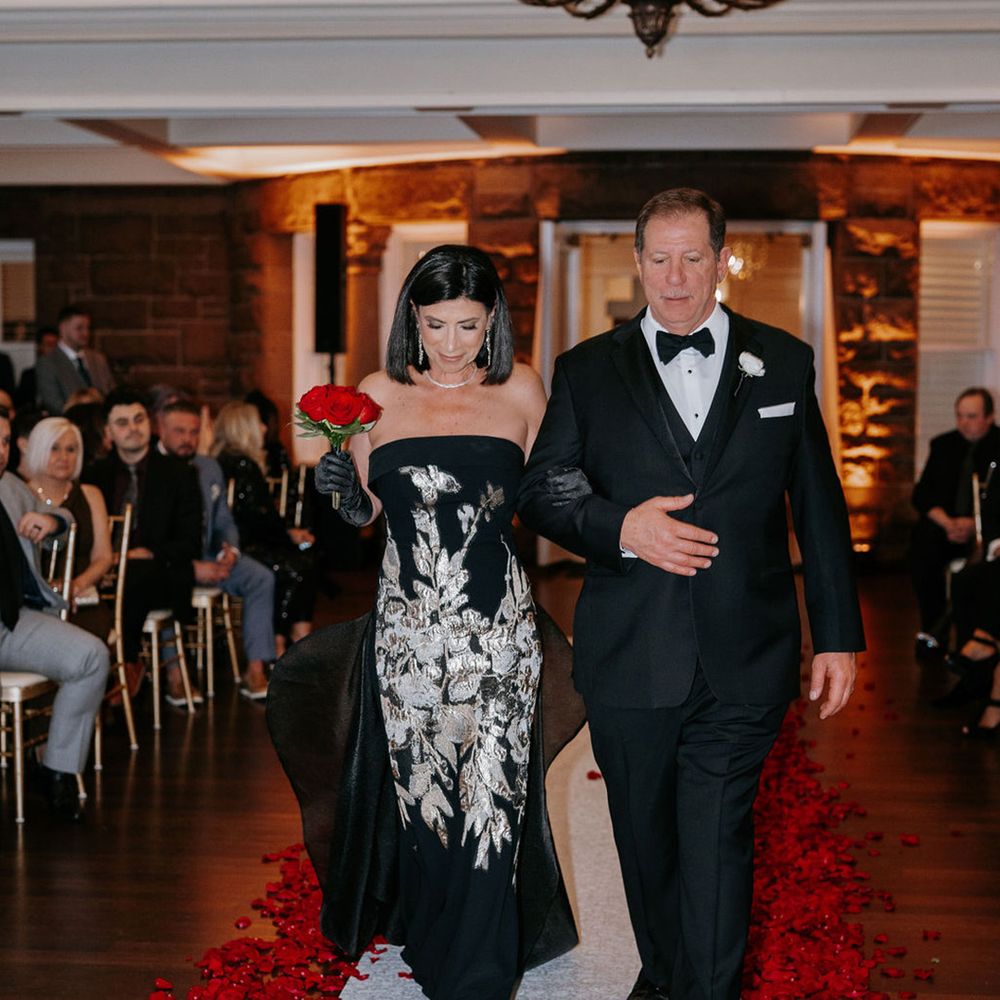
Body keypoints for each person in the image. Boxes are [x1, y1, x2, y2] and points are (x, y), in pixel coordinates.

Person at [518, 188, 865, 1000]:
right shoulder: (587, 370)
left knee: (716, 841)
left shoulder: (783, 361)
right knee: (646, 846)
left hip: (747, 650)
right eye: (660, 258)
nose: (675, 277)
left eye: (693, 257)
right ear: (638, 262)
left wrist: (837, 634)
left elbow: (818, 504)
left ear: (721, 261)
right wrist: (621, 526)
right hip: (631, 653)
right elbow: (542, 490)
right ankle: (669, 977)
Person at [267, 244, 585, 1000]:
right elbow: (367, 514)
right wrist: (344, 490)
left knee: (493, 802)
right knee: (430, 803)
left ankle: (478, 974)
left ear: (493, 321)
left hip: (499, 633)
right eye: (436, 324)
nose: (451, 344)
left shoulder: (522, 389)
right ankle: (442, 942)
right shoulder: (378, 392)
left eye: (468, 326)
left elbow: (556, 495)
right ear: (412, 316)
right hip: (408, 636)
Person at [0, 404, 110, 822]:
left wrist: (50, 521)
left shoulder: (11, 487)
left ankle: (58, 772)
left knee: (92, 655)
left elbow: (63, 513)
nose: (1, 451)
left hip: (15, 620)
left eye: (5, 442)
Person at [82, 387, 202, 705]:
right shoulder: (94, 475)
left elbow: (190, 541)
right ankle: (96, 670)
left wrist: (144, 553)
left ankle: (124, 663)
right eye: (122, 423)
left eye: (138, 419)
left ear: (151, 423)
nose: (133, 428)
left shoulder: (179, 473)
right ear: (108, 432)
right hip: (104, 572)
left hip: (162, 572)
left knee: (134, 576)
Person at [158, 399, 276, 698]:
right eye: (179, 431)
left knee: (261, 578)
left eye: (194, 432)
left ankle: (255, 669)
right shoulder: (151, 468)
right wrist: (191, 566)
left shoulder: (208, 467)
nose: (188, 439)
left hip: (210, 552)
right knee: (170, 582)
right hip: (169, 560)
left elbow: (223, 519)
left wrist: (230, 551)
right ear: (161, 429)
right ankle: (175, 675)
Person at [211, 402, 316, 655]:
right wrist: (289, 535)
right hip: (244, 546)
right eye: (257, 422)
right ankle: (290, 642)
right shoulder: (244, 464)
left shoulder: (218, 461)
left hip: (230, 543)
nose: (264, 428)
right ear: (243, 428)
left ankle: (289, 639)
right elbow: (259, 519)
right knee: (301, 564)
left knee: (298, 561)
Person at [910, 387, 1000, 659]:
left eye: (971, 416)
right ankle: (933, 630)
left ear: (989, 417)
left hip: (987, 532)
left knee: (974, 576)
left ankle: (969, 643)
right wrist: (948, 523)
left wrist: (974, 524)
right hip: (946, 529)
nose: (963, 422)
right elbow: (922, 495)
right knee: (922, 547)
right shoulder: (943, 444)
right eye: (959, 415)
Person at [21, 416, 114, 640]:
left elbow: (103, 557)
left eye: (71, 449)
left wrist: (75, 585)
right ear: (39, 450)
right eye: (54, 448)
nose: (63, 457)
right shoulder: (20, 495)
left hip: (81, 598)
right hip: (33, 602)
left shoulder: (91, 495)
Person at [35, 304, 114, 414]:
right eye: (79, 328)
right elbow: (53, 403)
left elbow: (111, 393)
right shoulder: (48, 363)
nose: (86, 333)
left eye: (88, 328)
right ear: (63, 328)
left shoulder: (98, 359)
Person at [14, 325, 58, 410]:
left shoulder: (64, 374)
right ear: (39, 346)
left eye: (56, 345)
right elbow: (21, 404)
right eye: (49, 344)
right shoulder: (28, 375)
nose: (53, 349)